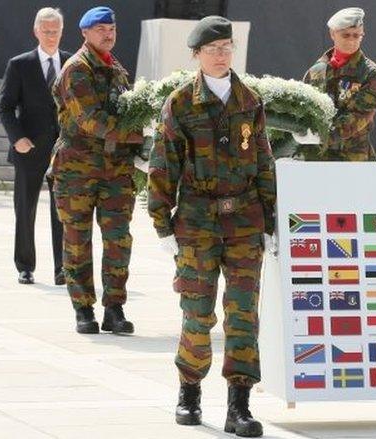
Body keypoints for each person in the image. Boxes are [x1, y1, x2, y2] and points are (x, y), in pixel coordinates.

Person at [147, 16, 276, 438]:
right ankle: (190, 392)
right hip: (198, 223)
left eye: (227, 48)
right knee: (197, 313)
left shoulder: (249, 100)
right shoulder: (181, 103)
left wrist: (272, 220)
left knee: (243, 316)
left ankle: (239, 406)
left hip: (243, 222)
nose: (221, 55)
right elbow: (163, 164)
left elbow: (263, 163)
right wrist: (162, 224)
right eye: (212, 49)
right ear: (196, 55)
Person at [50, 6, 142, 335]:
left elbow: (127, 111)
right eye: (101, 28)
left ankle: (114, 308)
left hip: (115, 170)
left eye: (112, 28)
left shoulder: (116, 69)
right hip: (77, 169)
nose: (109, 33)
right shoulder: (77, 69)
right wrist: (137, 134)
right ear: (85, 33)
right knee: (77, 240)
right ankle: (83, 308)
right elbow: (91, 121)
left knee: (119, 239)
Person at [0, 7, 69, 286]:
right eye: (46, 30)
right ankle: (25, 266)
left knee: (61, 210)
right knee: (24, 210)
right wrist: (17, 138)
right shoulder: (19, 64)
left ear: (62, 31)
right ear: (36, 31)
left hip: (64, 150)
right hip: (29, 149)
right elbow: (5, 107)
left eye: (55, 31)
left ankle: (62, 268)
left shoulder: (72, 62)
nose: (51, 36)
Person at [299, 7, 376, 161]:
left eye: (357, 35)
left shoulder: (372, 74)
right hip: (316, 158)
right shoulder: (316, 71)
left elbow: (358, 116)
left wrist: (321, 136)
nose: (352, 40)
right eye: (346, 35)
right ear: (333, 34)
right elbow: (303, 109)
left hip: (352, 158)